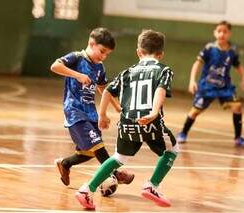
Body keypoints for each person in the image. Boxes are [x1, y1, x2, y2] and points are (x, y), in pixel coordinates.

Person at [75, 29, 179, 210]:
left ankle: (86, 189)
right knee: (172, 149)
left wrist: (102, 115)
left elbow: (107, 91)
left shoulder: (126, 73)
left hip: (127, 123)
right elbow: (161, 90)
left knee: (118, 158)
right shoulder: (164, 70)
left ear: (138, 52)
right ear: (160, 54)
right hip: (149, 122)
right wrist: (154, 112)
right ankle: (152, 185)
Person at [50, 27, 134, 187]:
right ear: (91, 43)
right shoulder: (76, 58)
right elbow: (55, 66)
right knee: (98, 145)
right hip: (75, 111)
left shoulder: (100, 67)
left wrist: (116, 106)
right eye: (102, 51)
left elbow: (103, 88)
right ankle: (116, 173)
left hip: (91, 113)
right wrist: (77, 75)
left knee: (87, 152)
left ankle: (65, 163)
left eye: (107, 54)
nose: (103, 56)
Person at [176, 20, 244, 148]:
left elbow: (238, 66)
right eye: (219, 31)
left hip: (225, 88)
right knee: (194, 112)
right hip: (207, 87)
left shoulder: (232, 51)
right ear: (215, 33)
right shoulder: (209, 48)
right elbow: (197, 64)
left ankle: (238, 138)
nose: (222, 34)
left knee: (237, 106)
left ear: (229, 34)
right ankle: (183, 133)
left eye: (225, 31)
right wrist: (192, 80)